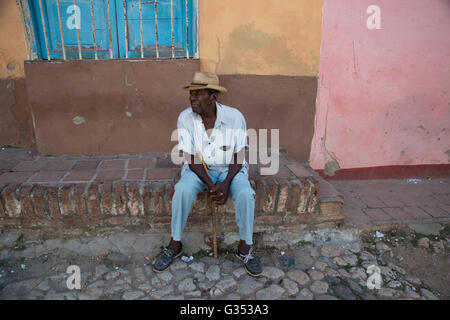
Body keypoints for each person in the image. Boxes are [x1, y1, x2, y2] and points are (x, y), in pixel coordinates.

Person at [152, 72, 262, 277]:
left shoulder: (234, 117)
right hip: (200, 169)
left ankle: (245, 248)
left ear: (213, 97)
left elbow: (239, 155)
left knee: (246, 194)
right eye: (191, 94)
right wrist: (212, 185)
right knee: (182, 190)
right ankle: (175, 244)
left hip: (231, 169)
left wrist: (226, 183)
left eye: (198, 94)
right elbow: (191, 158)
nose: (192, 99)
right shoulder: (185, 118)